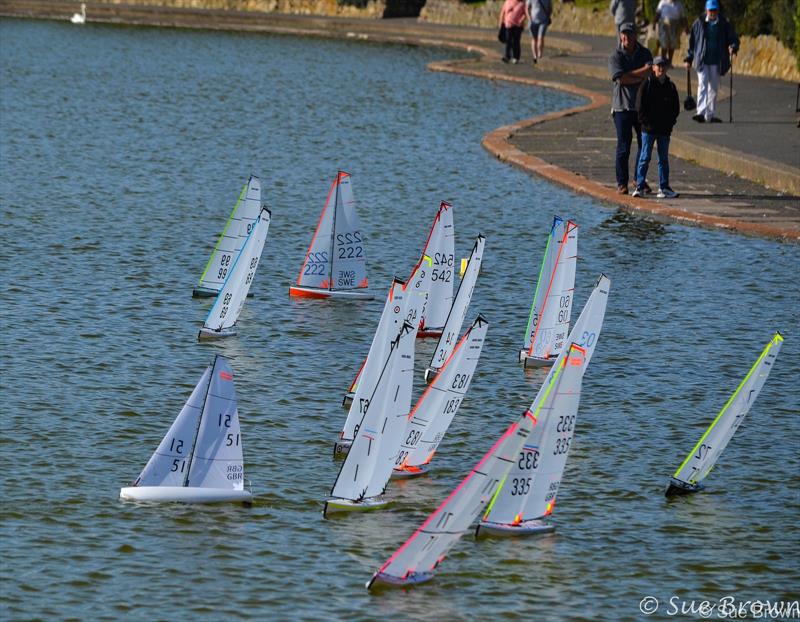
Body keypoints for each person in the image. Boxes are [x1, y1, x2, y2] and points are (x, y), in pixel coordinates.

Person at [608, 22, 653, 195]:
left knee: (645, 145)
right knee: (624, 146)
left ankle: (638, 178)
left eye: (629, 34)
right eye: (623, 34)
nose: (626, 37)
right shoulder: (615, 56)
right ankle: (622, 183)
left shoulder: (645, 52)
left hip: (642, 107)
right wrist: (640, 75)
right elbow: (620, 79)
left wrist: (630, 75)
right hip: (622, 107)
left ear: (635, 35)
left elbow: (651, 72)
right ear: (620, 36)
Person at [684, 0, 739, 123]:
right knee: (703, 84)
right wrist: (689, 58)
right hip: (702, 60)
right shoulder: (698, 23)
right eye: (710, 10)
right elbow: (692, 42)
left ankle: (709, 115)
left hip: (716, 60)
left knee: (713, 87)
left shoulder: (724, 23)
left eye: (714, 10)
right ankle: (700, 112)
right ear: (706, 10)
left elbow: (733, 38)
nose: (712, 12)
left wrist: (733, 46)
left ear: (718, 10)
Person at [633, 56, 680, 198]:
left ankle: (664, 187)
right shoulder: (646, 84)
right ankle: (639, 187)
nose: (660, 68)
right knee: (644, 157)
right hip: (648, 130)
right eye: (657, 65)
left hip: (664, 130)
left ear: (666, 68)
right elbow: (639, 106)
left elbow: (675, 108)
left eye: (663, 65)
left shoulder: (670, 86)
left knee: (663, 159)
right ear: (653, 67)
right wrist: (645, 123)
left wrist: (670, 123)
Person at [499, 0, 527, 64]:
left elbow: (525, 13)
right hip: (508, 24)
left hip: (518, 26)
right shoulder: (508, 2)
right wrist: (501, 24)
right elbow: (503, 12)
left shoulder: (522, 3)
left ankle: (516, 57)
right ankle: (507, 56)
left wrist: (521, 20)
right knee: (508, 41)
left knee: (516, 41)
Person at [526, 0, 552, 64]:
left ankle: (540, 54)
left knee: (540, 38)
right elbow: (527, 8)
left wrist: (547, 17)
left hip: (543, 22)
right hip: (533, 22)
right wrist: (529, 19)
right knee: (534, 39)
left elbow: (550, 9)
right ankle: (535, 56)